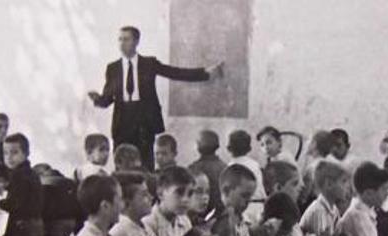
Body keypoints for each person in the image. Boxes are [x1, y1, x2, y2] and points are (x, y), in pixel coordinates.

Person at [87, 25, 224, 170]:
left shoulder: (149, 63)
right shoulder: (112, 68)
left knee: (146, 165)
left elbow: (174, 72)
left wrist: (205, 73)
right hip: (122, 124)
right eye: (119, 39)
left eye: (126, 39)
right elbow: (108, 99)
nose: (121, 43)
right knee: (122, 166)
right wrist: (97, 99)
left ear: (136, 41)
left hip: (144, 123)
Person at [227, 129, 265, 225]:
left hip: (245, 210)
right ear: (248, 148)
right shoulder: (255, 164)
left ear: (229, 148)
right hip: (260, 207)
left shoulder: (231, 166)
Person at [188, 130, 227, 214]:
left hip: (198, 215)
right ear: (217, 146)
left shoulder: (192, 168)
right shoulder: (225, 168)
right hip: (219, 214)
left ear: (198, 146)